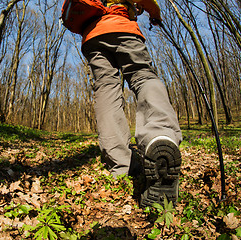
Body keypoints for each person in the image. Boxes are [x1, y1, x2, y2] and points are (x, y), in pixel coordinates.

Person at [80, 0, 183, 207]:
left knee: (105, 91)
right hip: (122, 27)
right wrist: (155, 14)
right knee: (142, 75)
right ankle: (160, 135)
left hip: (92, 35)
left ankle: (121, 164)